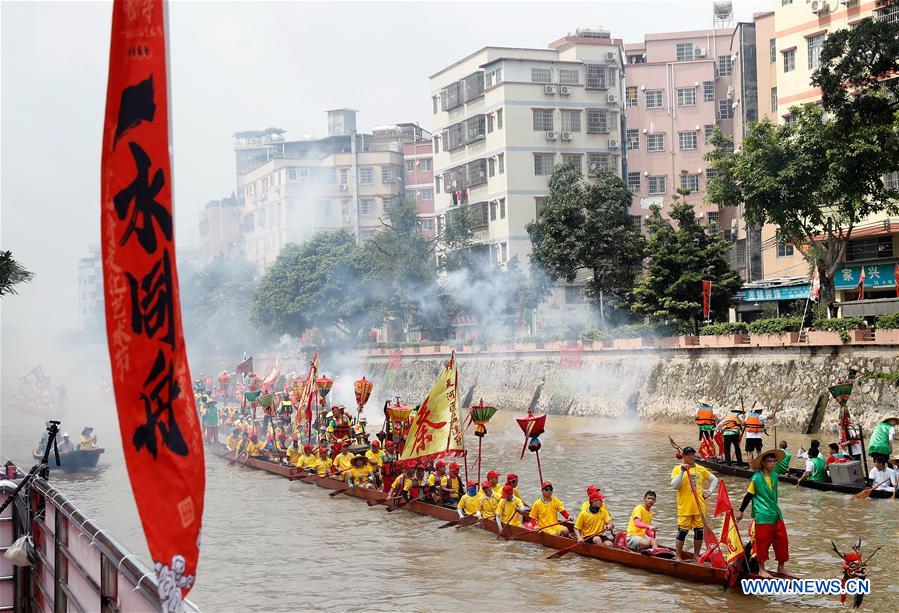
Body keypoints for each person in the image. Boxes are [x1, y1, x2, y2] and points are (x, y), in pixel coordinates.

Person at [736, 448, 790, 578]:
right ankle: (761, 569)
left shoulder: (775, 476)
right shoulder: (756, 478)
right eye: (770, 461)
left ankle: (781, 567)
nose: (773, 463)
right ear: (764, 463)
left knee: (782, 541)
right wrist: (740, 512)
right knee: (762, 542)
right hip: (762, 514)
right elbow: (748, 496)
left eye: (774, 461)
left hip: (776, 513)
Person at [670, 446, 718, 562]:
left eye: (692, 454)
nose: (691, 457)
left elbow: (714, 480)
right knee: (682, 532)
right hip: (685, 507)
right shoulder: (677, 469)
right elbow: (675, 486)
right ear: (684, 456)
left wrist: (709, 492)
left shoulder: (700, 469)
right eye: (688, 455)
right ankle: (678, 556)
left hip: (699, 507)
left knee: (699, 532)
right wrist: (682, 471)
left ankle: (696, 555)